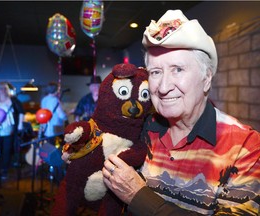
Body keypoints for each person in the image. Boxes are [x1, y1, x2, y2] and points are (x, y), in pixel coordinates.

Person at [102, 10, 260, 215]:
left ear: (207, 78)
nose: (164, 86)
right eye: (156, 72)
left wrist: (139, 197)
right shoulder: (139, 128)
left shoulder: (245, 147)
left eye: (178, 69)